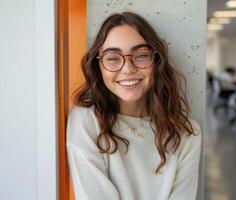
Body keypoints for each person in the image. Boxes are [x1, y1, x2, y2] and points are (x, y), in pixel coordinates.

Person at [66, 12, 201, 200]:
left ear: (156, 61)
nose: (128, 68)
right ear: (99, 66)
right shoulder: (87, 122)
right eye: (113, 57)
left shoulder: (186, 133)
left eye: (141, 55)